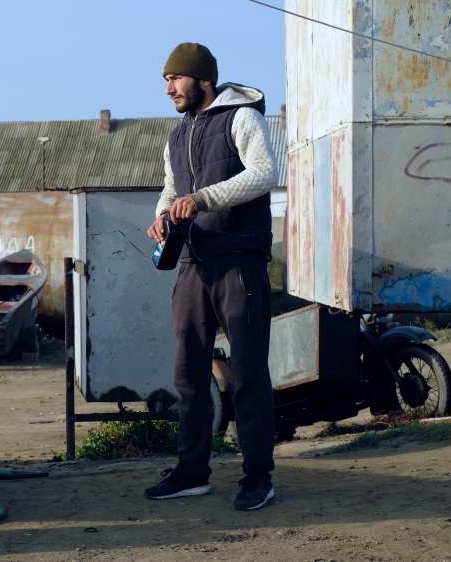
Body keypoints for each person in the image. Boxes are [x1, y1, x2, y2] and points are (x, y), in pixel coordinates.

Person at [143, 43, 278, 511]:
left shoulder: (242, 117)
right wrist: (162, 214)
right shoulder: (176, 136)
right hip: (191, 265)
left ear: (202, 80)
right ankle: (191, 472)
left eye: (174, 80)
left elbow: (264, 173)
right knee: (189, 376)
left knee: (247, 373)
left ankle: (258, 477)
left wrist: (201, 200)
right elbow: (169, 189)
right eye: (166, 81)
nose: (167, 89)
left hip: (238, 260)